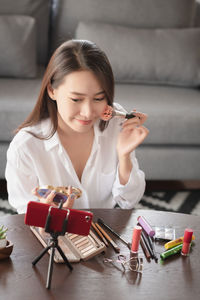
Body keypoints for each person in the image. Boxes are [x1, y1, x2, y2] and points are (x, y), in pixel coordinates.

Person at [5, 39, 149, 214]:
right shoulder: (25, 147)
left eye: (98, 98)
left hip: (102, 232)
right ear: (52, 90)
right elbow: (25, 216)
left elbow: (129, 202)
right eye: (76, 99)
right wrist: (45, 215)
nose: (88, 113)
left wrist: (124, 156)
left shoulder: (115, 124)